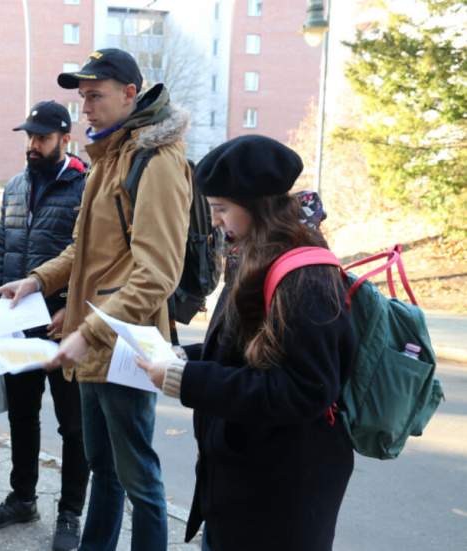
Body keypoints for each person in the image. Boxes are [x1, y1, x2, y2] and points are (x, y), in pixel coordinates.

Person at [0, 48, 192, 551]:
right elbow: (82, 249)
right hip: (97, 342)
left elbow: (157, 275)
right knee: (104, 468)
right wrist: (35, 281)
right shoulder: (109, 157)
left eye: (95, 96)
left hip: (126, 344)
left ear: (130, 93)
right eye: (82, 98)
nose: (86, 109)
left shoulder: (156, 162)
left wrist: (86, 332)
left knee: (140, 479)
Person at [137, 135, 357, 551]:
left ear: (257, 206)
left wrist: (187, 380)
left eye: (221, 209)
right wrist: (186, 357)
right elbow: (246, 350)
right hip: (245, 482)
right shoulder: (254, 255)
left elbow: (304, 390)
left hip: (281, 497)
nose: (215, 221)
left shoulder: (303, 277)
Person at [0, 100, 89, 551]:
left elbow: (89, 262)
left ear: (64, 138)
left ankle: (70, 513)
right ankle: (23, 497)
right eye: (29, 137)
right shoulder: (16, 186)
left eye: (41, 137)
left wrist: (73, 312)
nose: (33, 145)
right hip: (17, 325)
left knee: (72, 426)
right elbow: (5, 251)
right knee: (22, 416)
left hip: (62, 326)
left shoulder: (83, 188)